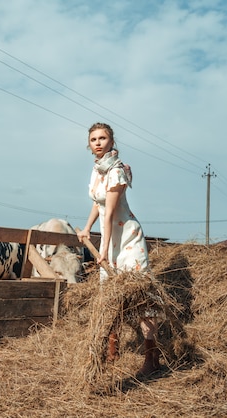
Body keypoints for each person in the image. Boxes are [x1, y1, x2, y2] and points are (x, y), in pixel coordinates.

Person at [77, 122, 160, 378]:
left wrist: (102, 250)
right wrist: (87, 228)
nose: (98, 142)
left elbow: (111, 212)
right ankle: (113, 350)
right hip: (108, 239)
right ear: (89, 144)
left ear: (112, 142)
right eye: (94, 139)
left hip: (126, 239)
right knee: (109, 297)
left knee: (142, 298)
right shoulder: (96, 171)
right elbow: (98, 205)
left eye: (103, 138)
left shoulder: (116, 171)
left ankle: (152, 357)